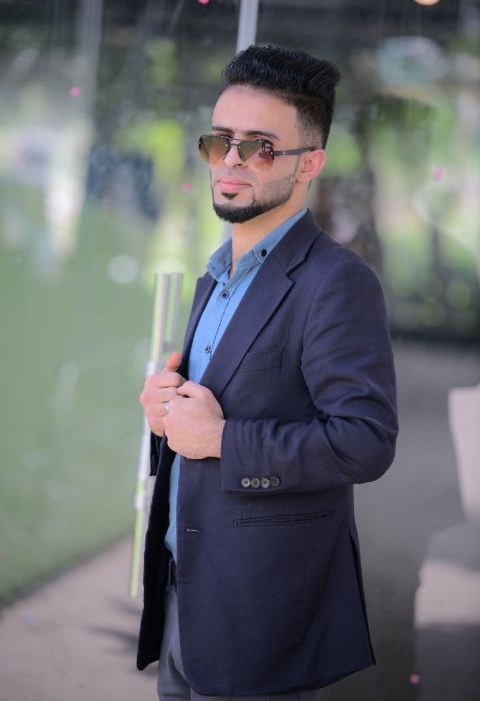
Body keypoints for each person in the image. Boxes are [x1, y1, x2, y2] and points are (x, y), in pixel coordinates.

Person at [137, 44, 398, 701]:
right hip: (184, 589)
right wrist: (166, 414)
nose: (230, 160)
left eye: (259, 147)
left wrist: (221, 439)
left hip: (260, 614)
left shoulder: (337, 283)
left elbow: (365, 441)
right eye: (219, 140)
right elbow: (212, 414)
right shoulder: (215, 274)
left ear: (309, 163)